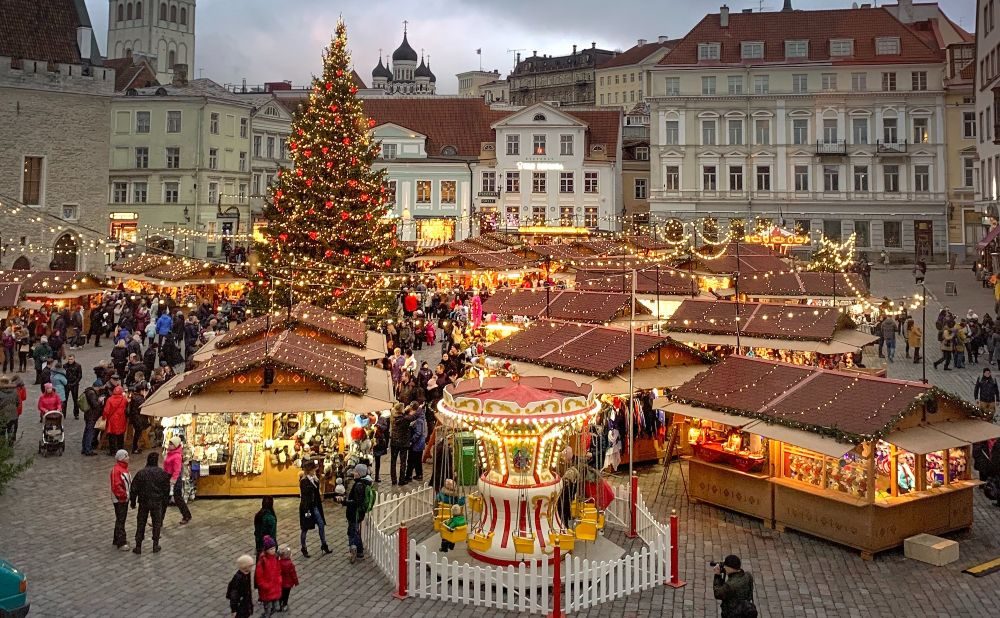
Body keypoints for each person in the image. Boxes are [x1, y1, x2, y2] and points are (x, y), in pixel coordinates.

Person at [129, 451, 171, 554]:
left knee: (141, 522)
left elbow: (133, 489)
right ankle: (155, 545)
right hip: (157, 502)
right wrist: (165, 503)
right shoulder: (162, 473)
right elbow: (166, 490)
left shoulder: (141, 473)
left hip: (143, 502)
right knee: (156, 523)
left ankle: (138, 546)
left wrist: (133, 502)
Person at [298, 459, 330, 557]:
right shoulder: (304, 481)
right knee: (305, 528)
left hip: (315, 506)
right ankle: (303, 547)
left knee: (321, 524)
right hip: (306, 507)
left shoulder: (314, 479)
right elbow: (305, 496)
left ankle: (324, 544)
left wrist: (316, 481)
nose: (315, 470)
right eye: (314, 469)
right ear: (309, 470)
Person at [344, 463, 373, 564]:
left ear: (359, 473)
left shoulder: (359, 486)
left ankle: (353, 551)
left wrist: (345, 502)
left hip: (355, 514)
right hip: (357, 514)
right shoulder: (362, 483)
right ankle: (360, 552)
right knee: (355, 532)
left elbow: (357, 502)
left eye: (356, 472)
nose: (354, 473)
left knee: (352, 533)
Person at [162, 436, 192, 524]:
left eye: (171, 444)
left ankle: (186, 515)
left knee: (177, 498)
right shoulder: (169, 453)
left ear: (175, 445)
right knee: (164, 499)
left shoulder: (177, 456)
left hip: (174, 479)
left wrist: (173, 480)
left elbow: (177, 470)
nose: (169, 445)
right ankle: (158, 521)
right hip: (167, 477)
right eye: (169, 443)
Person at [110, 449, 132, 551]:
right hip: (120, 500)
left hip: (123, 498)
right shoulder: (117, 470)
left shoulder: (123, 468)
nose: (128, 458)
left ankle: (117, 539)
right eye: (126, 456)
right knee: (121, 520)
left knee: (120, 519)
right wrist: (123, 496)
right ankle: (121, 542)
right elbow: (116, 486)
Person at [255, 535, 282, 617]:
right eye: (271, 549)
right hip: (267, 589)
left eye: (274, 548)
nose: (273, 550)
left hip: (275, 586)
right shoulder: (263, 561)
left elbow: (278, 569)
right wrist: (265, 585)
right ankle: (266, 615)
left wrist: (279, 579)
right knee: (267, 606)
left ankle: (270, 612)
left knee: (275, 606)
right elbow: (259, 576)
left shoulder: (275, 557)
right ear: (266, 550)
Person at [103, 385, 128, 455]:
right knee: (120, 435)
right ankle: (121, 449)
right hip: (121, 418)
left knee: (112, 435)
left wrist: (104, 417)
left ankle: (113, 451)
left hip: (112, 419)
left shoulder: (110, 400)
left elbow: (106, 411)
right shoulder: (123, 399)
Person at [81, 384, 103, 456]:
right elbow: (95, 405)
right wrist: (99, 401)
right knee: (90, 432)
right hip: (91, 416)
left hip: (88, 415)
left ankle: (84, 448)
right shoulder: (92, 394)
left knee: (87, 431)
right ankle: (88, 449)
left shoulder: (88, 391)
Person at [277, 545, 299, 613]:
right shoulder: (290, 564)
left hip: (280, 583)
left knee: (281, 595)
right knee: (286, 595)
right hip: (288, 584)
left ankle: (279, 604)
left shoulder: (278, 563)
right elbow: (293, 574)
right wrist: (296, 582)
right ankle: (285, 604)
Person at [0, 376, 19, 442]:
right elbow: (18, 403)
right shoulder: (14, 391)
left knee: (2, 433)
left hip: (2, 416)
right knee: (11, 432)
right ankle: (10, 448)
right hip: (13, 415)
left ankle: (3, 448)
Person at [64, 354, 82, 420]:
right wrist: (66, 383)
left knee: (75, 400)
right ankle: (63, 413)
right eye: (69, 359)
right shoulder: (65, 366)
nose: (70, 360)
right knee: (65, 400)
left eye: (71, 359)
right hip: (67, 384)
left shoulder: (78, 366)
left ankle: (76, 414)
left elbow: (79, 376)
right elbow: (63, 375)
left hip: (74, 385)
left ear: (74, 359)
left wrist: (75, 383)